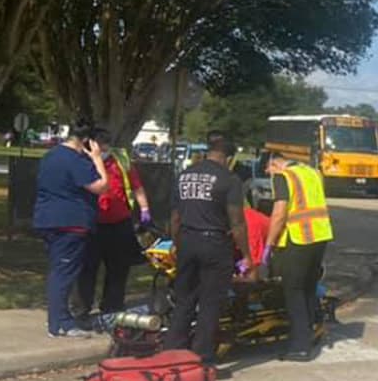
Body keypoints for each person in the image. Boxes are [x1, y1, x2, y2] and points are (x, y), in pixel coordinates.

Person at [162, 131, 251, 363]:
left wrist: (177, 245)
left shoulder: (184, 175)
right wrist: (246, 255)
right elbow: (238, 223)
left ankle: (172, 352)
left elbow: (174, 218)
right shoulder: (229, 180)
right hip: (215, 243)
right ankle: (201, 357)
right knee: (210, 303)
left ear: (206, 152)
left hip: (187, 240)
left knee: (184, 299)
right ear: (228, 157)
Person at [33, 120, 109, 338]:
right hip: (70, 222)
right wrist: (96, 159)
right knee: (63, 273)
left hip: (47, 219)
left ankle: (60, 318)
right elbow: (101, 186)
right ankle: (59, 323)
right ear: (87, 141)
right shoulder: (75, 160)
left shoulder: (51, 155)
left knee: (59, 269)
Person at [74, 128, 151, 324]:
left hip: (119, 222)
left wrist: (144, 209)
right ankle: (82, 308)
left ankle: (112, 306)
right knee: (87, 268)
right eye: (101, 143)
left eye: (107, 143)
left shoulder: (121, 161)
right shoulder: (82, 162)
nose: (105, 147)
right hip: (92, 223)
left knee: (118, 268)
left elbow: (137, 186)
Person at [263, 152, 333, 361]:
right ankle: (308, 335)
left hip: (299, 237)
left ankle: (300, 346)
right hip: (320, 236)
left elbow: (279, 212)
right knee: (308, 288)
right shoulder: (313, 173)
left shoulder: (284, 176)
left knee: (293, 290)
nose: (268, 174)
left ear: (275, 163)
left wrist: (269, 245)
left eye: (268, 169)